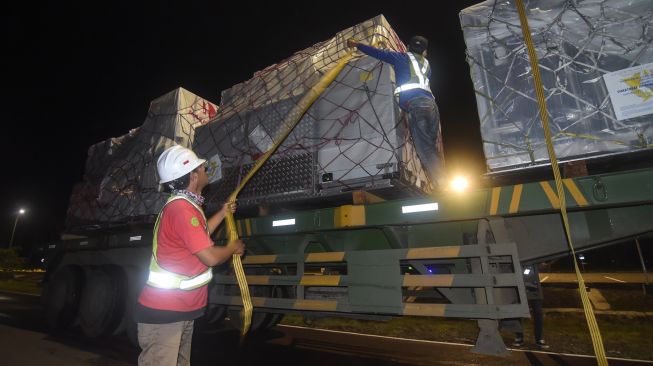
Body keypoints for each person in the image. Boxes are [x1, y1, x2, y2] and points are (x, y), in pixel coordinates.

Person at [135, 145, 245, 366]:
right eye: (201, 167)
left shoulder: (186, 206)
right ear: (193, 176)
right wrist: (232, 248)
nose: (205, 169)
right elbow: (210, 257)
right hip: (166, 314)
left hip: (180, 310)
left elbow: (199, 236)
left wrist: (223, 213)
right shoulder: (182, 210)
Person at [347, 35, 446, 189]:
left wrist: (357, 44)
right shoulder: (427, 64)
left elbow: (378, 53)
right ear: (424, 51)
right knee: (430, 147)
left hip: (416, 106)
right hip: (432, 107)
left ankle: (442, 184)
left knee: (425, 148)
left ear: (407, 47)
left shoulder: (401, 57)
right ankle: (440, 181)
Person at [513, 264, 549, 349]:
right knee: (518, 312)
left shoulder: (535, 260)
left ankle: (539, 339)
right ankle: (519, 337)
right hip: (520, 287)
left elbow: (543, 267)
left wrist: (544, 264)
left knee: (538, 312)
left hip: (535, 288)